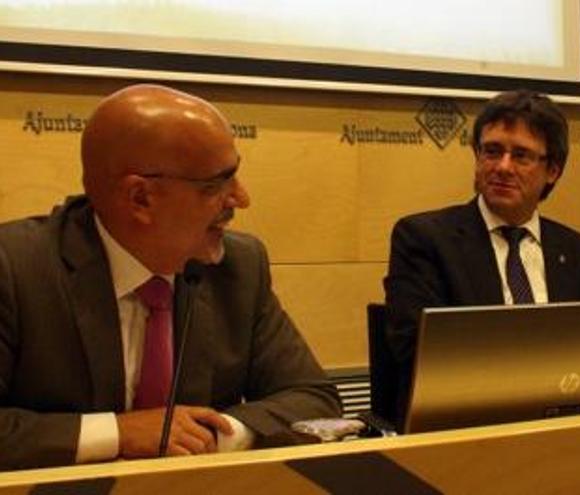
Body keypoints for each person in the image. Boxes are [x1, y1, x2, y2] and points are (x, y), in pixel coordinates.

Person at [0, 84, 341, 470]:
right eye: (216, 185)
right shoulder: (15, 268)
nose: (241, 198)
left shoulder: (240, 266)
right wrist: (118, 433)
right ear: (140, 198)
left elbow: (313, 399)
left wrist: (213, 434)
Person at [384, 89, 580, 423]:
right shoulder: (425, 239)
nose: (502, 167)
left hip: (565, 426)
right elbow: (416, 353)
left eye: (521, 155)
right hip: (465, 427)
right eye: (492, 151)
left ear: (553, 171)